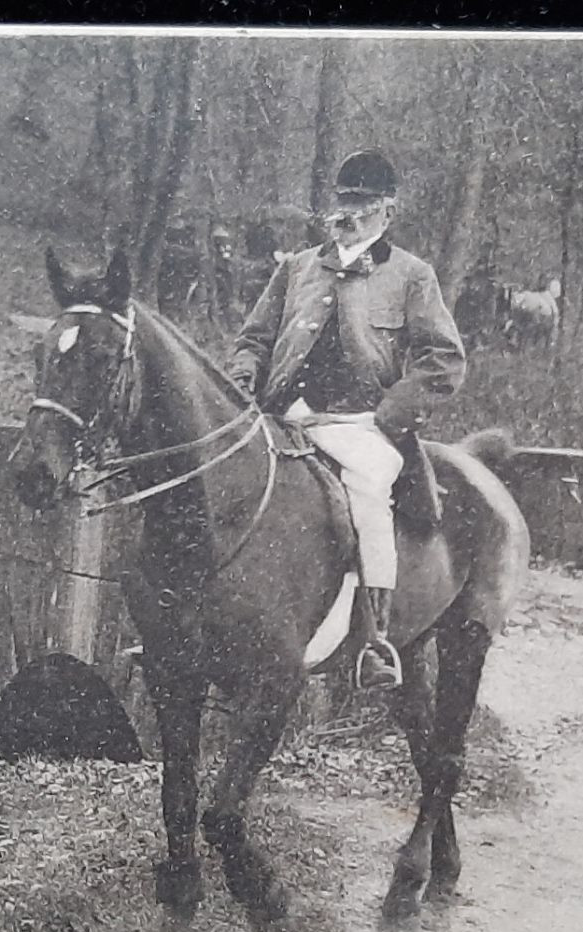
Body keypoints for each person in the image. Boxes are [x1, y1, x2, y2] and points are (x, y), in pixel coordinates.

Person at [228, 150, 466, 689]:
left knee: (367, 499)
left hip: (363, 424)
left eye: (363, 205)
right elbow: (253, 340)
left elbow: (444, 359)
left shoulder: (411, 276)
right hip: (283, 417)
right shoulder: (295, 269)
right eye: (343, 203)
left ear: (389, 211)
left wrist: (391, 414)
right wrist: (243, 383)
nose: (349, 215)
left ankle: (374, 639)